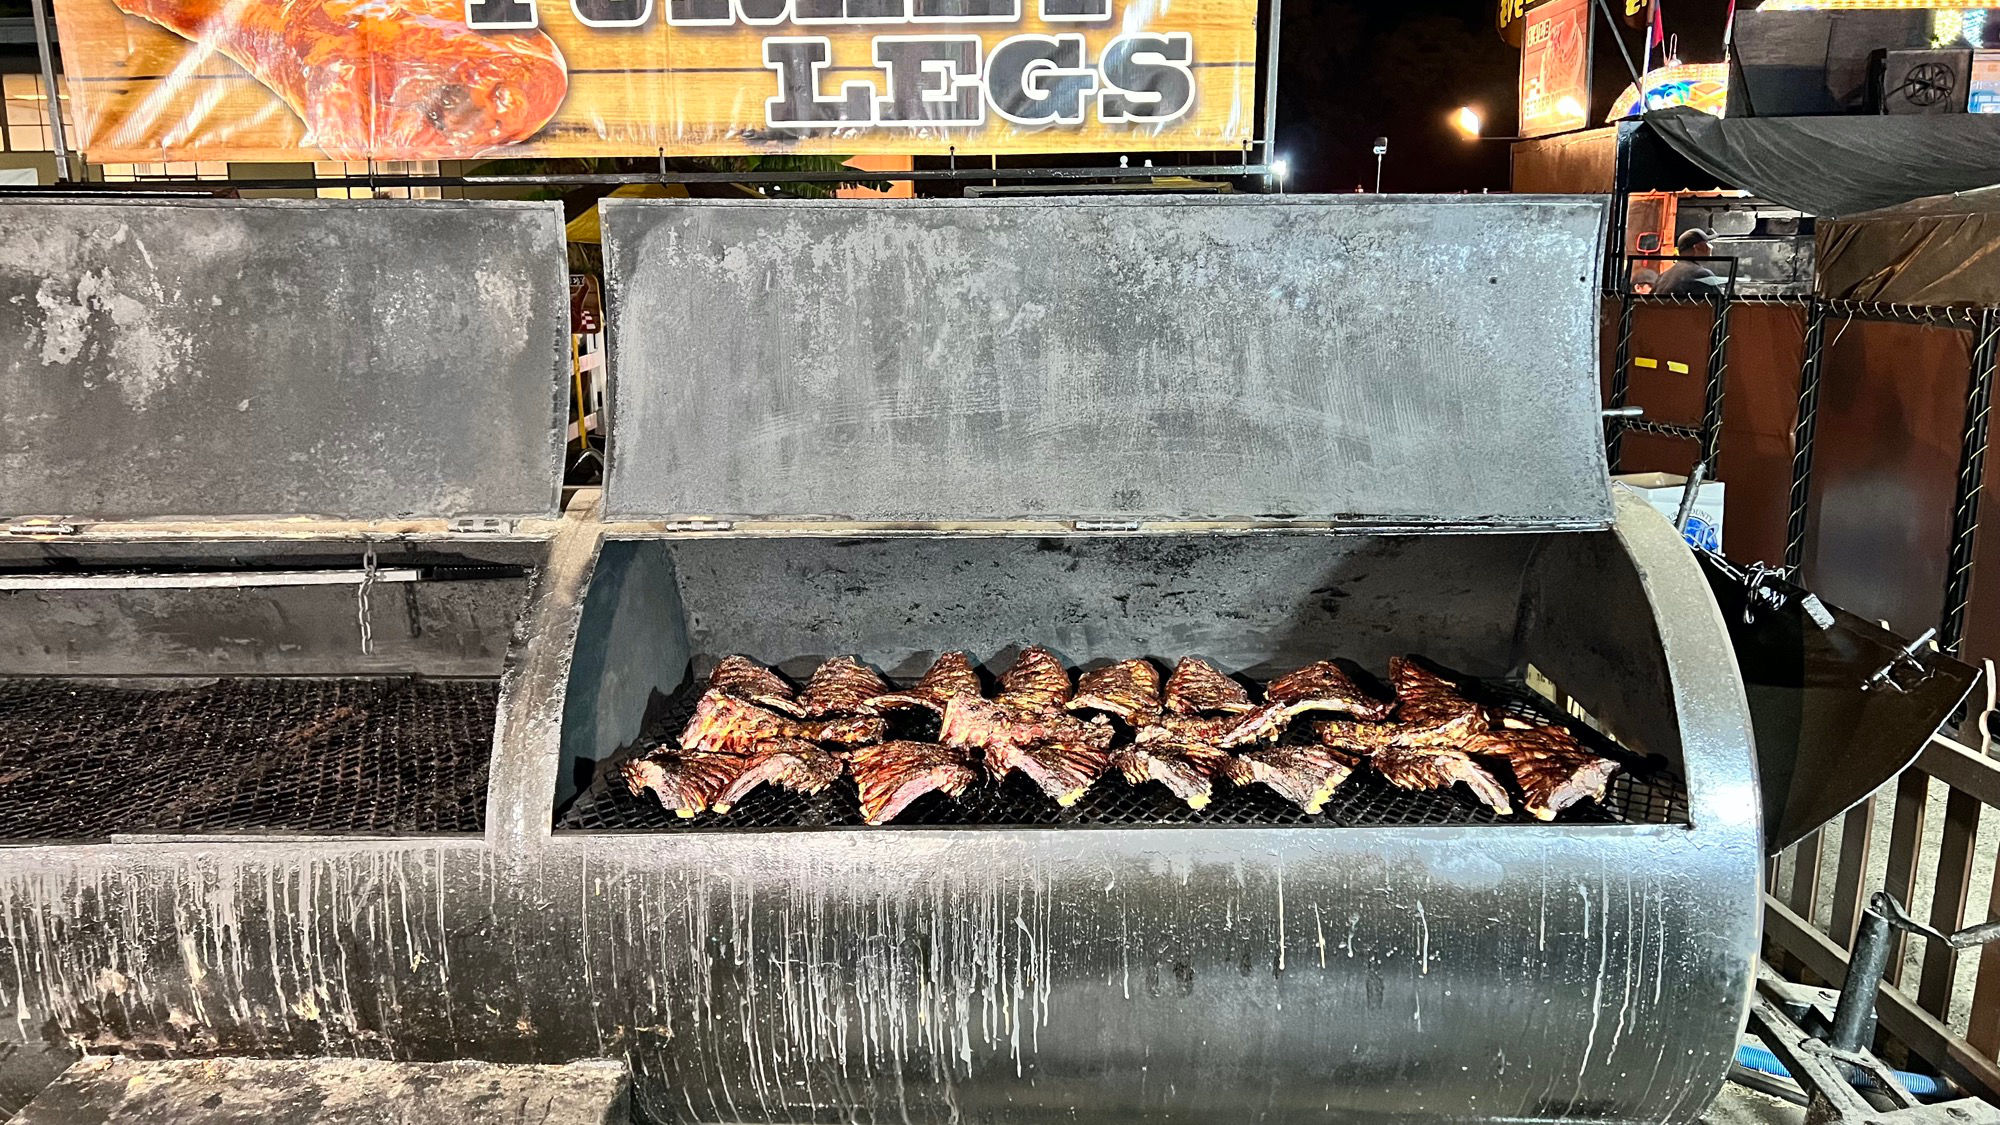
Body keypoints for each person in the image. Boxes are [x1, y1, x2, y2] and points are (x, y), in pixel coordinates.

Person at [1654, 229, 1718, 296]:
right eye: (1707, 244)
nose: (1710, 248)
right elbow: (1720, 303)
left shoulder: (1663, 276)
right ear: (1698, 247)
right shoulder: (1702, 275)